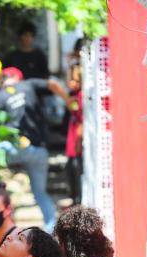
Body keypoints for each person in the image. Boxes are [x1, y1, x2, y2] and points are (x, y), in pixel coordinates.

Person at [0, 67, 73, 232]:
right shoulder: (29, 84)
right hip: (39, 151)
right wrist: (68, 101)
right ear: (18, 77)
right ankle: (51, 230)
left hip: (13, 150)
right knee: (40, 192)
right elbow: (52, 83)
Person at [65, 64, 83, 205]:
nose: (73, 83)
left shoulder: (81, 96)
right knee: (70, 172)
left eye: (76, 80)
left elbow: (82, 119)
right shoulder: (72, 94)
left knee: (77, 174)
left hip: (77, 141)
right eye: (71, 80)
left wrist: (78, 141)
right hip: (71, 141)